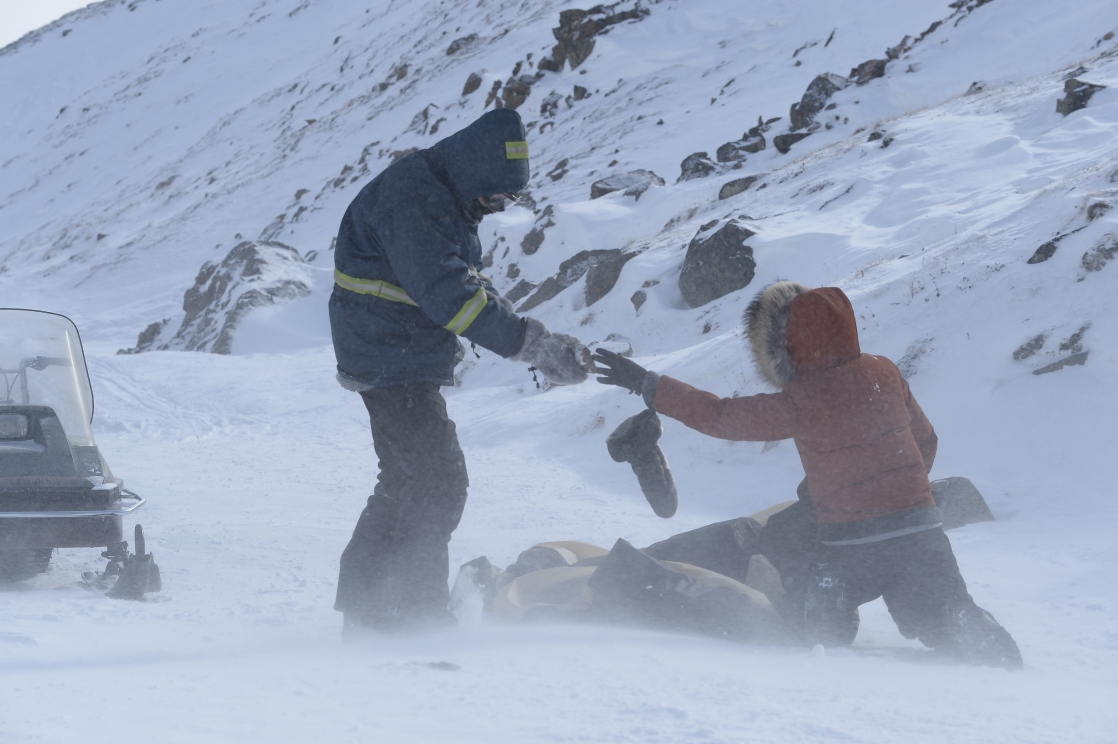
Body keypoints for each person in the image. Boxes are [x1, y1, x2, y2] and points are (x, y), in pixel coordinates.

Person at [593, 281, 1023, 669]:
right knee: (947, 609)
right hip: (922, 534)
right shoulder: (885, 372)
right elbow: (925, 442)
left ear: (790, 346)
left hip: (849, 546)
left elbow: (721, 417)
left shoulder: (804, 396)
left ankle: (823, 622)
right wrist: (894, 493)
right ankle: (976, 634)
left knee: (805, 624)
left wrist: (648, 384)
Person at [330, 108, 590, 632]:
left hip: (392, 347)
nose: (494, 207)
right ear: (474, 172)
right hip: (388, 352)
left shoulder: (442, 191)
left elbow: (462, 278)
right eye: (494, 196)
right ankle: (416, 617)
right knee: (438, 482)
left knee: (405, 480)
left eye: (506, 200)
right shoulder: (417, 201)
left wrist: (525, 331)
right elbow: (452, 298)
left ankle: (367, 608)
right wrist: (533, 346)